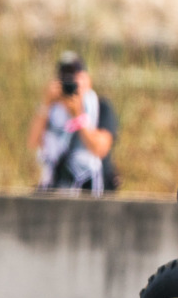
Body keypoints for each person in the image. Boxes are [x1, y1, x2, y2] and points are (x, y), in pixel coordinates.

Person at [27, 52, 119, 195]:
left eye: (75, 76)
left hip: (91, 188)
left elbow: (100, 148)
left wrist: (78, 115)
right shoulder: (52, 110)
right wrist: (45, 104)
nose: (70, 82)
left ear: (88, 79)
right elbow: (33, 142)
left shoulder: (100, 107)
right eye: (65, 77)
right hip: (57, 186)